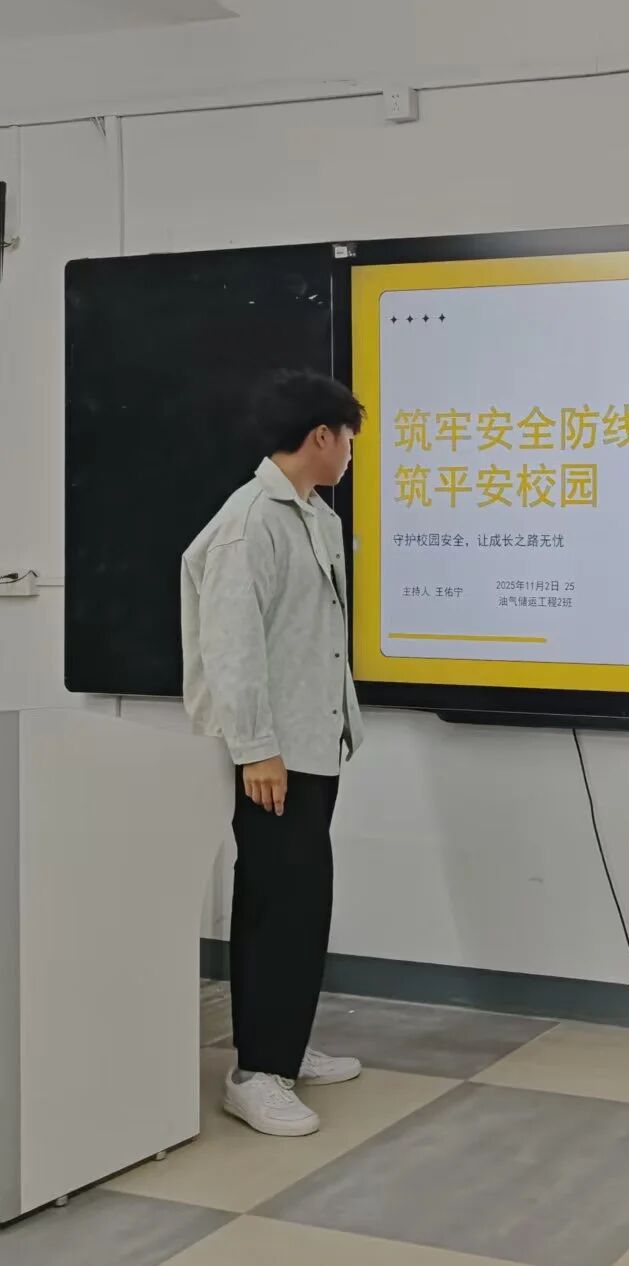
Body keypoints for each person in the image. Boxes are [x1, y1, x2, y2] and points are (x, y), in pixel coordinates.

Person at [180, 370, 367, 1137]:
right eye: (348, 437)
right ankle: (257, 1071)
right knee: (275, 903)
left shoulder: (313, 515)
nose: (351, 451)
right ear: (321, 435)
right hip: (273, 755)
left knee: (302, 901)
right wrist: (257, 748)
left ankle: (284, 1043)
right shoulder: (251, 520)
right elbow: (232, 646)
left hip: (312, 744)